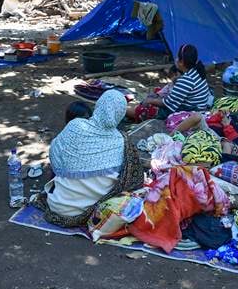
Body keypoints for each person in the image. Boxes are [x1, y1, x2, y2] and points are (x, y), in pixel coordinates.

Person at [34, 90, 143, 227]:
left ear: (98, 106)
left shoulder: (75, 125)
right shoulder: (123, 141)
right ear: (120, 114)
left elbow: (55, 157)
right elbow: (132, 182)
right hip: (88, 212)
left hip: (56, 205)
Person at [126, 44, 214, 121]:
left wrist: (150, 101)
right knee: (158, 93)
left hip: (190, 113)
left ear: (181, 62)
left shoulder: (187, 80)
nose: (175, 59)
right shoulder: (197, 71)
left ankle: (122, 110)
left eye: (177, 58)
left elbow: (168, 104)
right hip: (198, 108)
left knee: (145, 109)